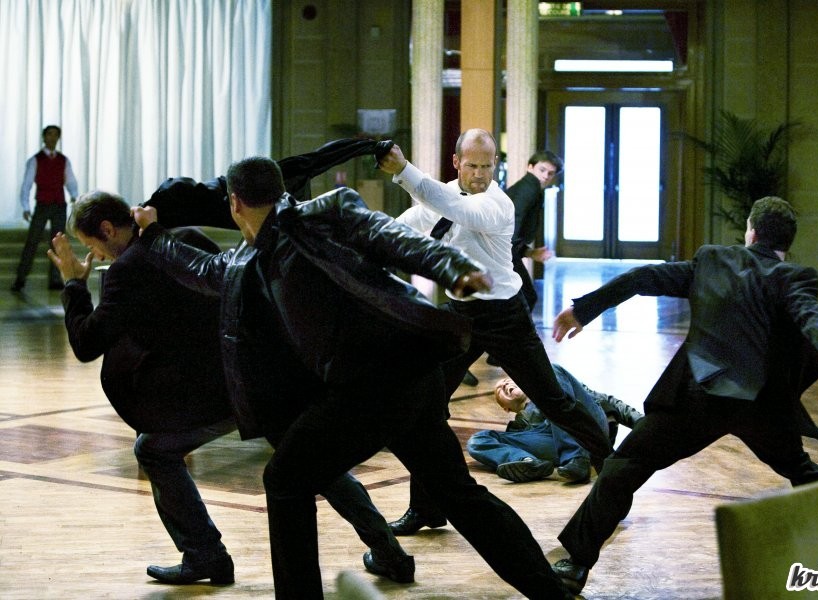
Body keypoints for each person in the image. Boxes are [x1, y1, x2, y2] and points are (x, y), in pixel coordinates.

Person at [131, 156, 575, 599]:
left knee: (286, 481)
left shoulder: (321, 214)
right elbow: (204, 270)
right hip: (404, 378)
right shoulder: (249, 259)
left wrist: (452, 267)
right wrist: (152, 236)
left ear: (235, 204)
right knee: (458, 495)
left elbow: (390, 237)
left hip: (373, 386)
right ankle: (550, 593)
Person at [50, 191, 416, 587]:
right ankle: (389, 552)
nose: (96, 256)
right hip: (259, 372)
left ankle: (205, 555)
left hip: (219, 391)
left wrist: (74, 284)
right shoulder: (184, 238)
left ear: (107, 229)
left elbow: (86, 344)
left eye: (91, 245)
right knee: (314, 463)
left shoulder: (128, 269)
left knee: (154, 450)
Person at [547, 196, 818, 594]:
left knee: (624, 466)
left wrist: (583, 311)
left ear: (751, 232)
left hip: (697, 398)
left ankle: (576, 564)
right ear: (788, 242)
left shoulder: (713, 260)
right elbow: (809, 311)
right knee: (804, 473)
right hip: (760, 408)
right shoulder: (793, 276)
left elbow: (643, 277)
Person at [379, 129, 611, 537]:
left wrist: (404, 171)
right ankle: (426, 508)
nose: (480, 174)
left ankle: (615, 471)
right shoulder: (443, 196)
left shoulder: (497, 204)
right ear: (456, 163)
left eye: (487, 166)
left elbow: (460, 209)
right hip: (460, 315)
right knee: (425, 405)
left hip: (506, 318)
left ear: (495, 167)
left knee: (554, 401)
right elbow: (400, 227)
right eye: (472, 165)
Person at [468, 363, 643, 484]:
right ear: (505, 408)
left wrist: (643, 424)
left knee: (552, 370)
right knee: (477, 441)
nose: (505, 384)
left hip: (587, 429)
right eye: (499, 389)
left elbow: (608, 401)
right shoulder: (519, 430)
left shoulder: (553, 385)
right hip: (549, 443)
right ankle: (528, 462)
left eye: (508, 380)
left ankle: (576, 458)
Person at [12, 125, 79, 291]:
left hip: (59, 205)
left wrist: (74, 195)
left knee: (57, 243)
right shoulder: (35, 160)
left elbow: (70, 180)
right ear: (44, 137)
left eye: (56, 135)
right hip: (42, 204)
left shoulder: (63, 160)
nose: (52, 138)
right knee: (32, 241)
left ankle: (55, 279)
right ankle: (20, 278)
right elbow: (26, 185)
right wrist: (26, 206)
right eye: (49, 134)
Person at [506, 150, 564, 312]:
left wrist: (529, 252)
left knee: (522, 298)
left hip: (503, 249)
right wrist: (514, 255)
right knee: (527, 297)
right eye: (542, 170)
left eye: (550, 173)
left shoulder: (530, 188)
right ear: (530, 167)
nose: (546, 176)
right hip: (502, 251)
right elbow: (514, 223)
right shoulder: (529, 189)